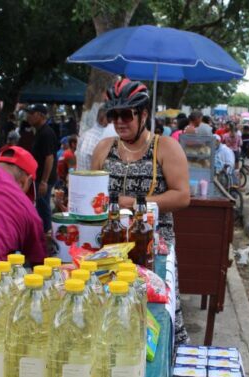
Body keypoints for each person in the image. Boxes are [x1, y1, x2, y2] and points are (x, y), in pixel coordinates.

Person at [91, 78, 190, 345]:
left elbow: (182, 196)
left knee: (154, 311)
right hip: (110, 242)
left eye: (126, 114)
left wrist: (131, 203)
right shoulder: (104, 148)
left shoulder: (165, 147)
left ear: (144, 114)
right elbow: (92, 193)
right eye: (114, 115)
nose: (119, 121)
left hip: (153, 242)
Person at [26, 103, 57, 235]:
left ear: (40, 115)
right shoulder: (40, 131)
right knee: (40, 206)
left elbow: (49, 158)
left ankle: (47, 235)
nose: (29, 117)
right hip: (38, 177)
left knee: (44, 208)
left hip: (44, 179)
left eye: (32, 114)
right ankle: (43, 234)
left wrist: (44, 181)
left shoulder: (46, 133)